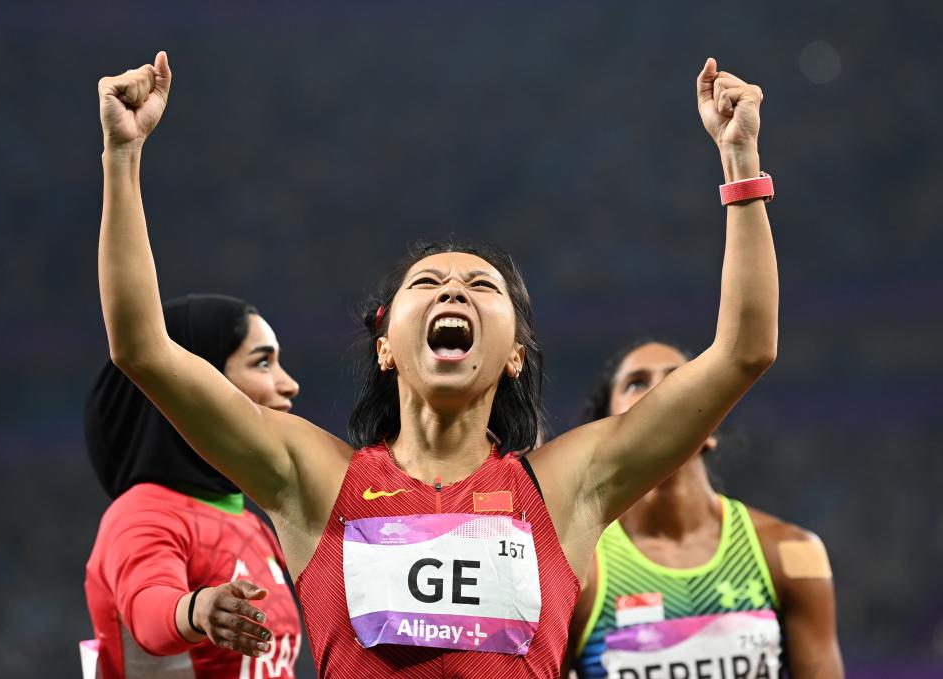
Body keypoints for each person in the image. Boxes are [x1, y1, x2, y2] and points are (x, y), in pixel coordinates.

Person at [95, 50, 778, 677]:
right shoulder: (314, 480)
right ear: (386, 346)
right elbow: (142, 348)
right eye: (426, 283)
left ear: (515, 356)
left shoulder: (569, 488)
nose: (453, 290)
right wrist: (121, 157)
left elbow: (744, 351)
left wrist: (740, 163)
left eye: (482, 285)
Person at [566, 340, 844, 678]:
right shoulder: (578, 570)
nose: (661, 392)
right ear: (607, 431)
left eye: (677, 377)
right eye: (636, 383)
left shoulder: (792, 552)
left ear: (711, 426)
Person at [84, 294, 304, 678]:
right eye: (262, 362)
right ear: (198, 382)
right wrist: (198, 608)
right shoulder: (143, 512)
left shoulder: (253, 523)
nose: (290, 385)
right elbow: (148, 611)